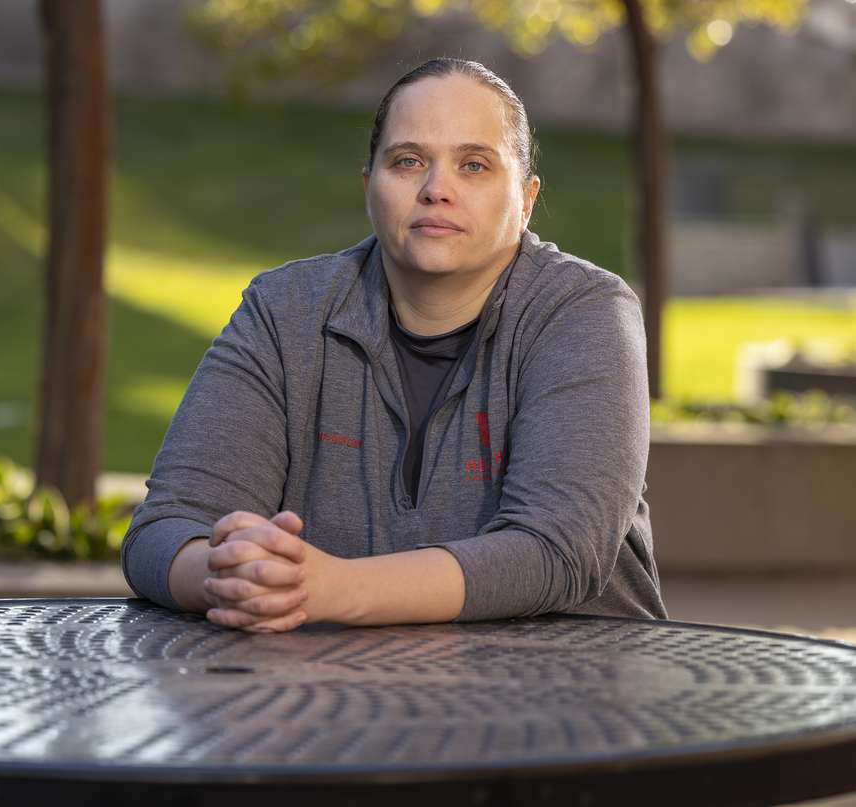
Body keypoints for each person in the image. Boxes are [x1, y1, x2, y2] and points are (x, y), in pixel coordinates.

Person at [120, 57, 667, 633]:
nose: (437, 190)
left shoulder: (583, 312)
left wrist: (328, 589)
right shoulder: (284, 312)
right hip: (335, 699)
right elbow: (165, 528)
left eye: (474, 165)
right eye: (408, 162)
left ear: (526, 199)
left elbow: (556, 552)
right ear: (369, 186)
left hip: (566, 700)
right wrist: (230, 574)